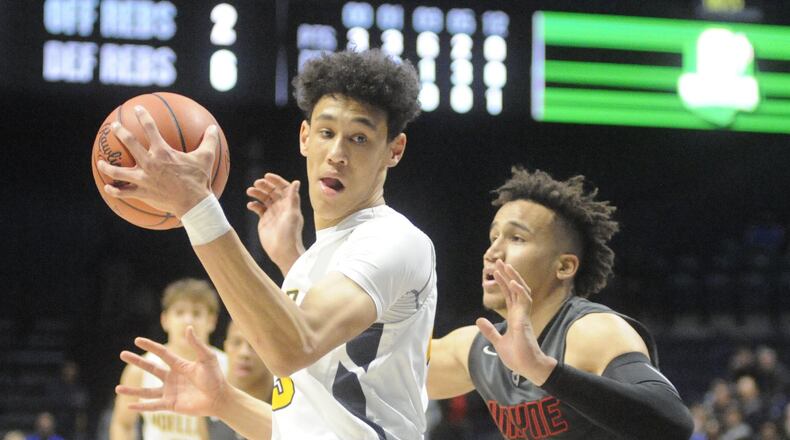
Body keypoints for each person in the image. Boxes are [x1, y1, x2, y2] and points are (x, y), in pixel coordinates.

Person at [107, 48, 436, 440]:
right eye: (327, 133)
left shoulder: (394, 239)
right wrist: (224, 401)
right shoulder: (314, 262)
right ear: (305, 137)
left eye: (360, 138)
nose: (337, 154)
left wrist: (196, 207)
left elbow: (293, 346)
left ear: (394, 150)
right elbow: (307, 428)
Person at [426, 168, 693, 439]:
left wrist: (542, 369)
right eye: (494, 238)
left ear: (564, 266)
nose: (492, 253)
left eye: (516, 238)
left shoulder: (592, 331)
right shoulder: (481, 346)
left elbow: (674, 423)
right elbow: (390, 367)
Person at [110, 278, 227, 440]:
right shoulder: (140, 370)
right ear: (164, 320)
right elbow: (123, 424)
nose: (188, 320)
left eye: (197, 313)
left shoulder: (229, 367)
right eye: (179, 312)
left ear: (212, 321)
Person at [209, 320, 274, 440]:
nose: (244, 353)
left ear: (272, 351)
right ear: (226, 346)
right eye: (236, 343)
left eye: (254, 345)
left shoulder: (289, 402)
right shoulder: (209, 399)